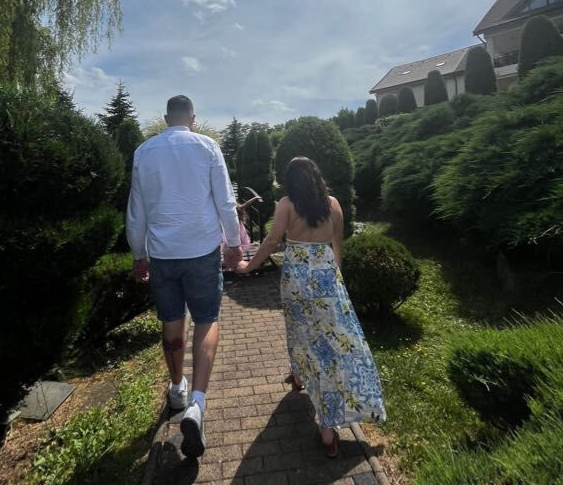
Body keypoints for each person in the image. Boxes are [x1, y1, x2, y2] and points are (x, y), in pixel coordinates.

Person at [235, 157, 386, 457]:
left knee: (300, 332)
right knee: (331, 343)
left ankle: (302, 380)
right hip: (327, 279)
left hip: (297, 281)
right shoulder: (333, 204)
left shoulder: (286, 204)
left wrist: (247, 266)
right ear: (317, 177)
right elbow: (337, 245)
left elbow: (271, 241)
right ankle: (325, 420)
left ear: (291, 181)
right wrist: (336, 280)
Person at [126, 95, 242, 459]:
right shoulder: (207, 147)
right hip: (202, 250)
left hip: (162, 253)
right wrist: (234, 243)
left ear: (166, 119)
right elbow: (225, 201)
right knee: (206, 319)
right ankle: (197, 404)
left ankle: (177, 387)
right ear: (192, 118)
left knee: (172, 323)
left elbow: (136, 210)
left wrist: (138, 254)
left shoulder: (144, 152)